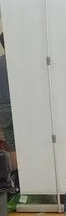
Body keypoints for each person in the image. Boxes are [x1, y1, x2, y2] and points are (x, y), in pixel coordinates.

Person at [0, 33, 18, 177]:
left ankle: (17, 180)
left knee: (12, 145)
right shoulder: (20, 61)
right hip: (22, 106)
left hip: (4, 109)